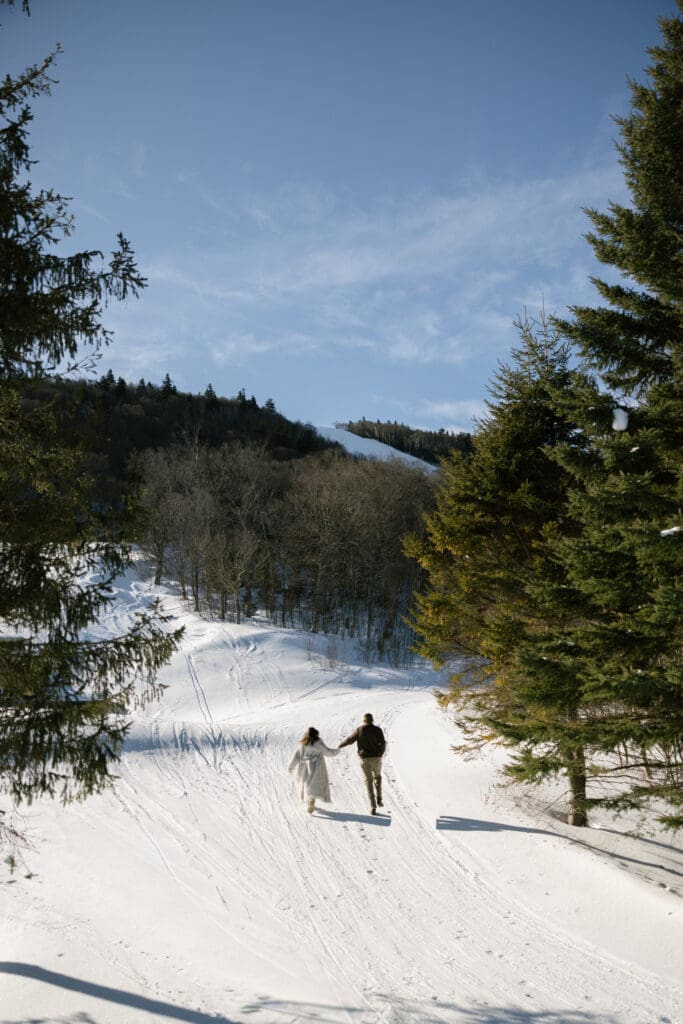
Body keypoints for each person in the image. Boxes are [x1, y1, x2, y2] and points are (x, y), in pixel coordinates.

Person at [339, 713, 386, 814]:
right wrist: (381, 753)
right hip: (377, 758)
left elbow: (349, 740)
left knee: (369, 782)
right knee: (378, 777)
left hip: (365, 759)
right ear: (372, 720)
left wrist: (340, 746)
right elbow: (383, 743)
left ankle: (373, 806)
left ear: (364, 721)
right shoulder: (378, 730)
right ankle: (379, 798)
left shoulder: (359, 730)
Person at [288, 726, 341, 814]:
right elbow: (328, 752)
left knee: (306, 784)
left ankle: (309, 800)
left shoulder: (302, 744)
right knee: (314, 785)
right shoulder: (318, 743)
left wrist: (291, 767)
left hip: (304, 767)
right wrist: (338, 751)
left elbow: (296, 756)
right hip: (316, 766)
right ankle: (311, 800)